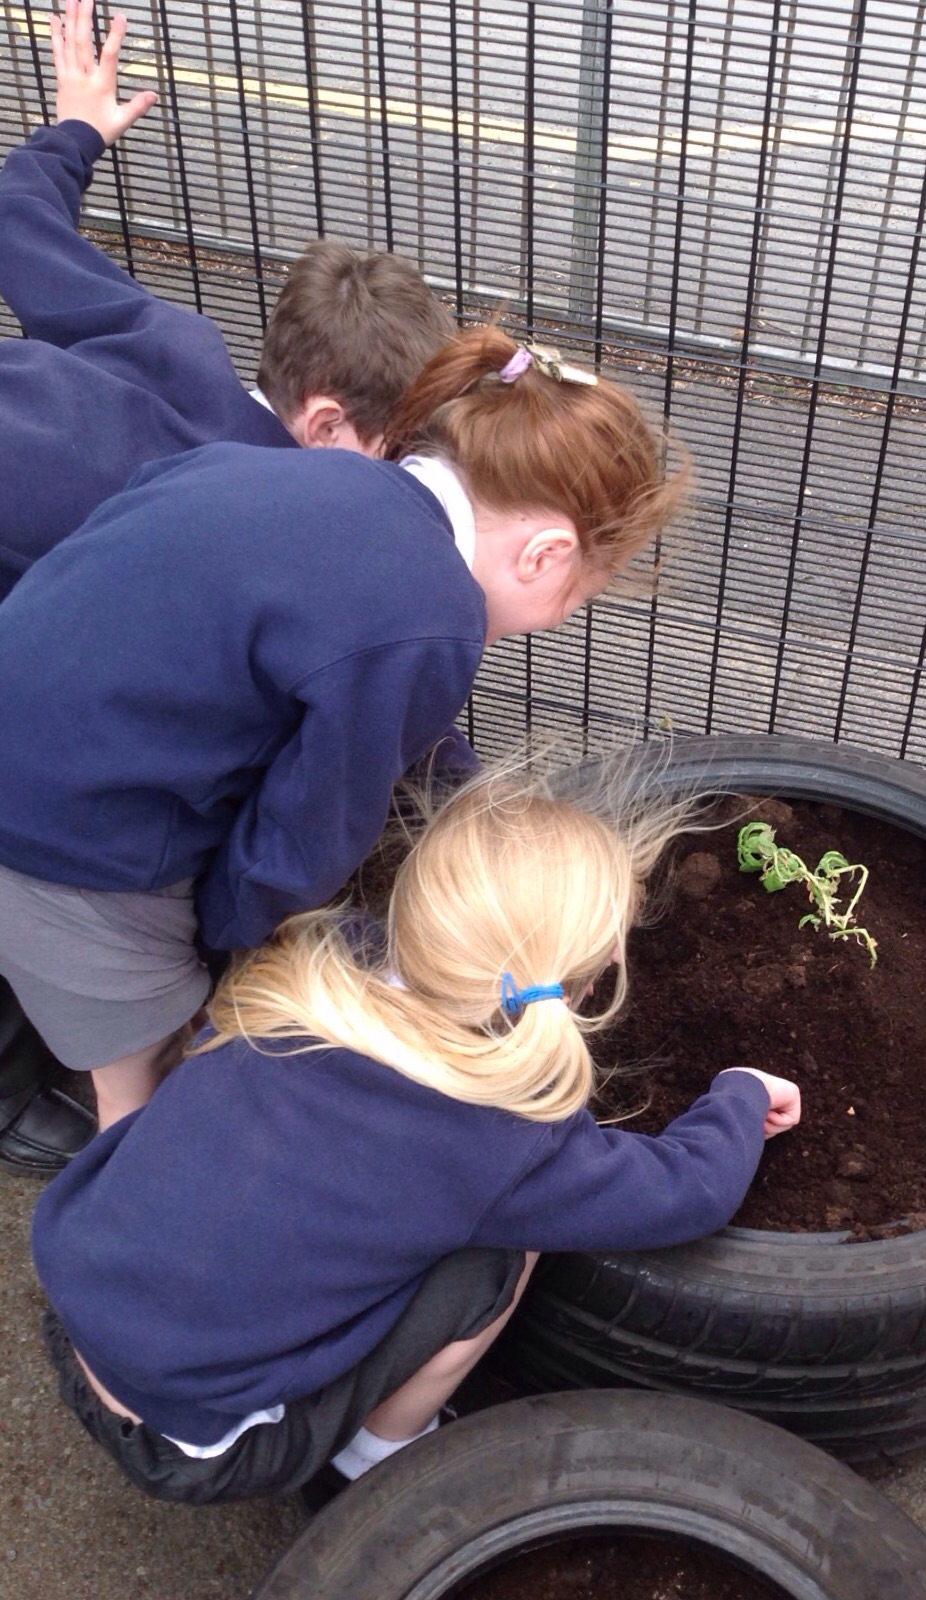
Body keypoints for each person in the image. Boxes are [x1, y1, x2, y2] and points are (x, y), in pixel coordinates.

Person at [29, 763, 801, 1505]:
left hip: (77, 1312)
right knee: (497, 1257)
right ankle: (382, 1455)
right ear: (592, 980)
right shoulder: (504, 1137)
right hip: (199, 1445)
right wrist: (739, 1095)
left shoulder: (305, 986)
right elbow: (688, 1193)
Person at [0, 321, 690, 1140]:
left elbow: (371, 704)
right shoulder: (430, 620)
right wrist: (232, 955)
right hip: (64, 848)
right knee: (153, 1082)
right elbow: (299, 846)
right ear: (545, 554)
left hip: (43, 742)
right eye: (577, 599)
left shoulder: (308, 481)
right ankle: (124, 1230)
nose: (555, 621)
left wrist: (489, 809)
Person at [0, 0, 455, 1170]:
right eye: (396, 458)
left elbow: (18, 221)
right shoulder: (210, 518)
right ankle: (13, 1084)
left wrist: (75, 134)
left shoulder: (175, 344)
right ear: (321, 421)